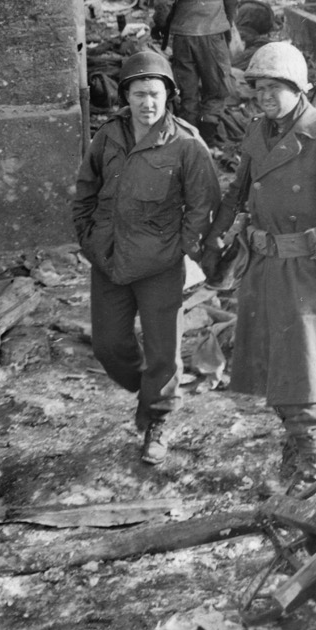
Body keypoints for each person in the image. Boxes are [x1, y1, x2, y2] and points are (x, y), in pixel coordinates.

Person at [200, 42, 316, 496]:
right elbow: (238, 194)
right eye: (259, 87)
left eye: (276, 88)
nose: (266, 96)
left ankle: (313, 464)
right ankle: (297, 448)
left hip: (309, 271)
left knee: (305, 372)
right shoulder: (260, 133)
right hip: (264, 265)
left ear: (299, 89)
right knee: (273, 367)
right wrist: (214, 244)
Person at [71, 49, 219, 466]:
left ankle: (157, 420)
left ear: (168, 96)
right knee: (108, 346)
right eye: (139, 94)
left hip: (159, 265)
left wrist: (179, 250)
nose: (147, 103)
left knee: (163, 354)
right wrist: (88, 238)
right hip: (110, 260)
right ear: (126, 96)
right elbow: (85, 189)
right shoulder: (108, 136)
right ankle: (149, 391)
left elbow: (204, 204)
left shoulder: (187, 143)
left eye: (155, 94)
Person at [152, 0, 241, 137]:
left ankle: (188, 140)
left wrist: (161, 25)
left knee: (188, 91)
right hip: (213, 33)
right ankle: (208, 136)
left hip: (183, 36)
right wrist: (227, 23)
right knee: (216, 88)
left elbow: (164, 1)